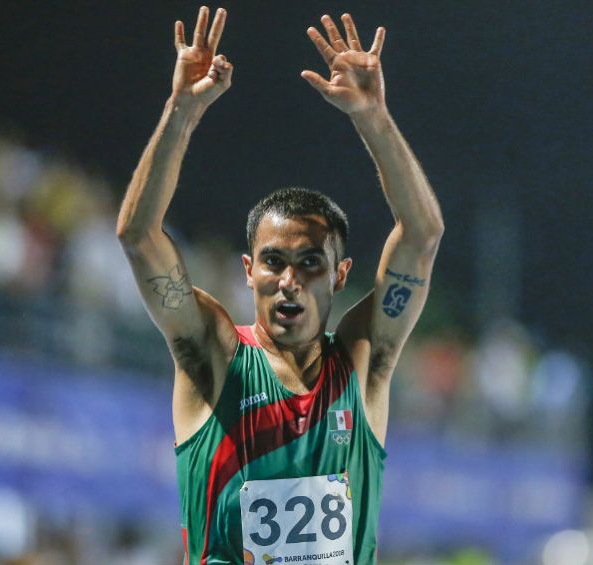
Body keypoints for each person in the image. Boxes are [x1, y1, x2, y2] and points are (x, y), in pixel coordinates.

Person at [116, 7, 444, 564]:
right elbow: (138, 236)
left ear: (341, 275)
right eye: (272, 262)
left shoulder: (366, 364)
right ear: (249, 271)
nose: (288, 281)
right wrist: (181, 111)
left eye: (310, 262)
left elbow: (422, 234)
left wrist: (373, 117)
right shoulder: (212, 355)